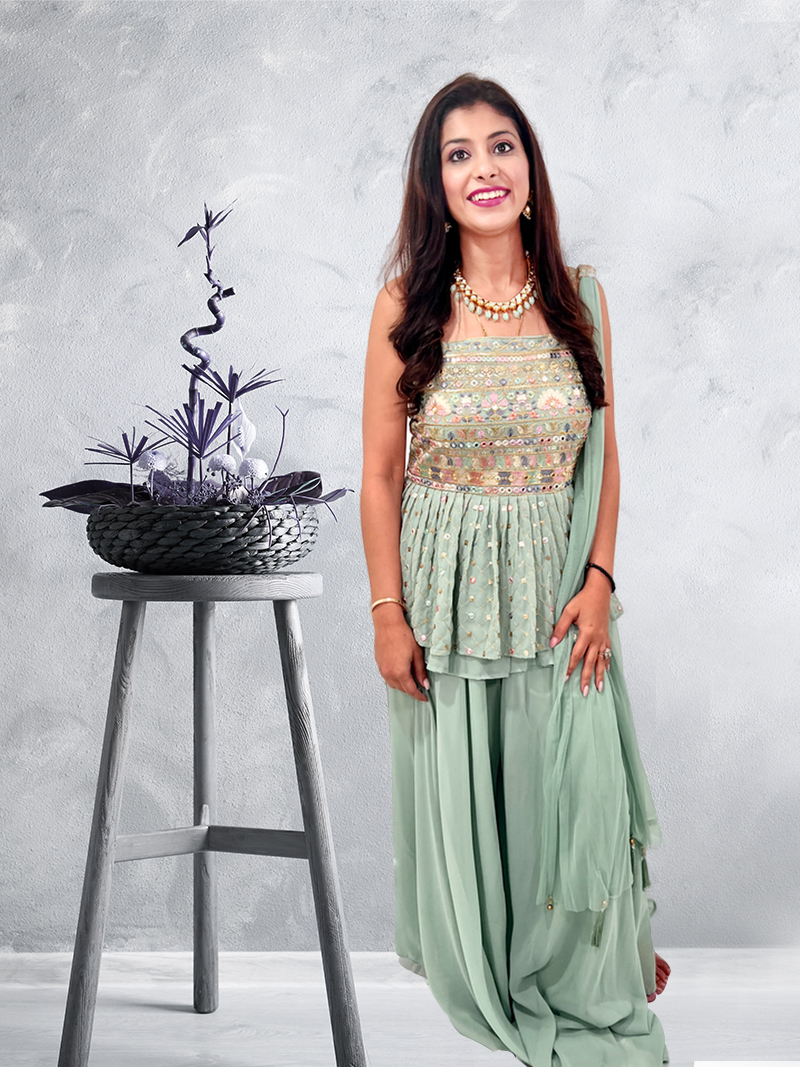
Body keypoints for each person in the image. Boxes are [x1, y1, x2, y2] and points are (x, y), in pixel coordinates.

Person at [360, 72, 671, 1066]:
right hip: (444, 599)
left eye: (501, 146)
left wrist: (599, 583)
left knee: (564, 795)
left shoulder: (582, 299)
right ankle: (490, 976)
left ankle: (589, 969)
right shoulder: (404, 306)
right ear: (435, 183)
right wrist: (386, 613)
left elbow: (602, 457)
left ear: (529, 169)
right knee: (469, 801)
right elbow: (379, 473)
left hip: (556, 592)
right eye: (458, 154)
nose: (483, 168)